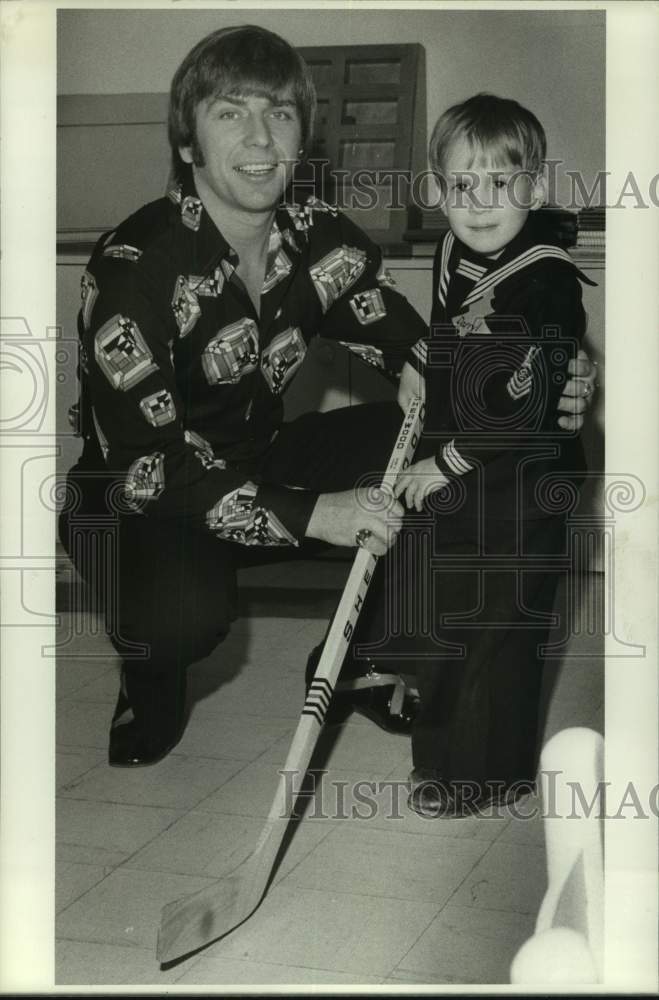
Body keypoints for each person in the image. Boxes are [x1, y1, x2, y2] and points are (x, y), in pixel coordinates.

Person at [59, 28, 595, 768]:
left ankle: (360, 657)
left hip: (261, 458)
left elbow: (426, 358)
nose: (259, 137)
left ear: (302, 137)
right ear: (187, 142)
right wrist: (323, 513)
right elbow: (150, 466)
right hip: (141, 495)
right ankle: (150, 678)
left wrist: (553, 379)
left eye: (278, 114)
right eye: (229, 113)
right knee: (184, 614)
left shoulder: (320, 241)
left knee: (450, 458)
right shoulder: (134, 268)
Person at [351, 93, 598, 817]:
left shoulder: (548, 283)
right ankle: (428, 733)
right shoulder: (451, 247)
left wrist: (443, 465)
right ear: (436, 189)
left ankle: (481, 775)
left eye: (501, 183)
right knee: (443, 604)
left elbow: (523, 406)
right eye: (461, 185)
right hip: (469, 467)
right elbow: (449, 326)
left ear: (537, 185)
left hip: (525, 480)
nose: (479, 202)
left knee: (499, 631)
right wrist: (416, 360)